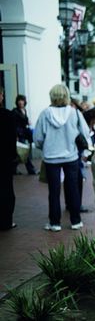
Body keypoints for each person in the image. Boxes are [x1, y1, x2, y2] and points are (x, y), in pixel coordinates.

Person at [34, 84, 92, 232]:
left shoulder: (45, 114)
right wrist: (85, 151)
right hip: (71, 156)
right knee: (72, 189)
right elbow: (85, 133)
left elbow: (38, 138)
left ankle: (54, 223)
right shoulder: (74, 113)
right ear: (66, 96)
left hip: (51, 158)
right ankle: (76, 221)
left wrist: (45, 147)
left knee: (53, 191)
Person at [0, 87, 18, 231]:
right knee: (6, 190)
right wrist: (13, 158)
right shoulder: (8, 116)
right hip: (4, 159)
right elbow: (12, 139)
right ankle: (6, 221)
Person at [12, 94, 37, 175]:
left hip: (24, 133)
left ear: (24, 102)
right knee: (24, 152)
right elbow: (13, 125)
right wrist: (15, 136)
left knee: (19, 154)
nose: (20, 102)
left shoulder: (24, 110)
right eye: (19, 100)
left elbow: (24, 121)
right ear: (17, 102)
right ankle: (31, 170)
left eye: (22, 100)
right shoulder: (15, 111)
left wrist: (28, 121)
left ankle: (12, 170)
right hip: (19, 134)